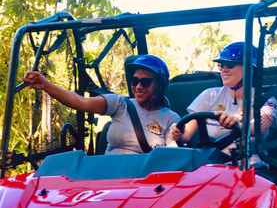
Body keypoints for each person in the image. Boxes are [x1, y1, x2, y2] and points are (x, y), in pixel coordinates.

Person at [22, 54, 180, 154]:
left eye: (145, 82)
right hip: (108, 178)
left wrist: (178, 135)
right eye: (135, 80)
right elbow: (81, 102)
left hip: (146, 184)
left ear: (159, 85)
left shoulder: (169, 118)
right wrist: (45, 85)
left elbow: (172, 156)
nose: (138, 87)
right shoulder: (120, 104)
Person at [171, 42, 277, 165]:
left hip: (250, 165)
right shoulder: (209, 95)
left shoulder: (266, 100)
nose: (224, 70)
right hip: (211, 164)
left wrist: (236, 123)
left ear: (250, 69)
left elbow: (259, 128)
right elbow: (187, 134)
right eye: (221, 66)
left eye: (230, 65)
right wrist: (179, 133)